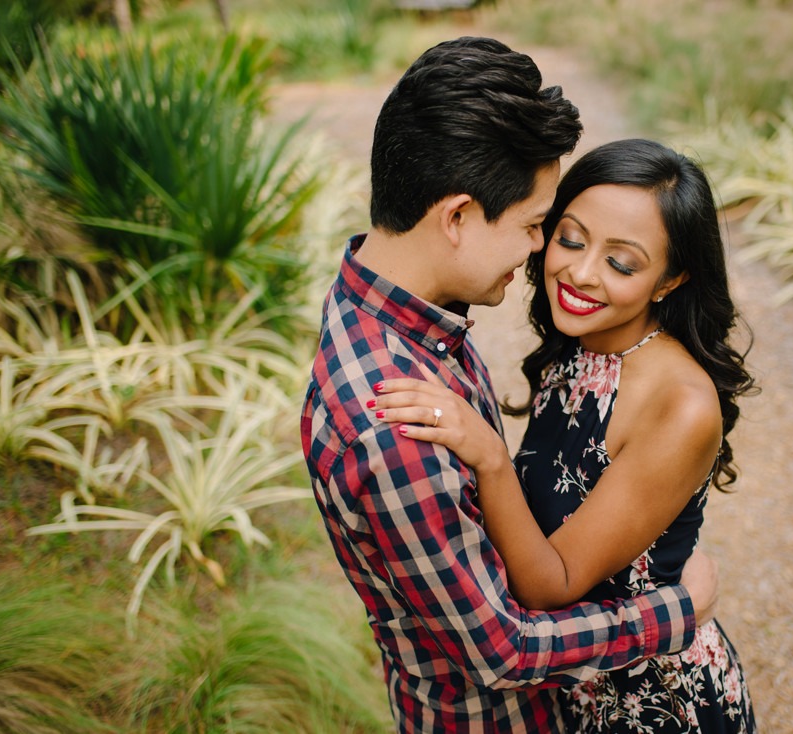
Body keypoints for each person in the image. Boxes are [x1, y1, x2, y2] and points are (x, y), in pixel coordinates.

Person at [300, 39, 720, 733]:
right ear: (458, 217)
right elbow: (502, 650)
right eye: (539, 227)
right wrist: (677, 610)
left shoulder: (406, 318)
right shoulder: (393, 423)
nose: (541, 253)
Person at [372, 138, 758, 732]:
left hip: (653, 702)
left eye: (621, 263)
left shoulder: (679, 405)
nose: (580, 272)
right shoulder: (578, 348)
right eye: (571, 239)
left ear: (668, 280)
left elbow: (552, 584)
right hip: (571, 684)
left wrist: (488, 456)